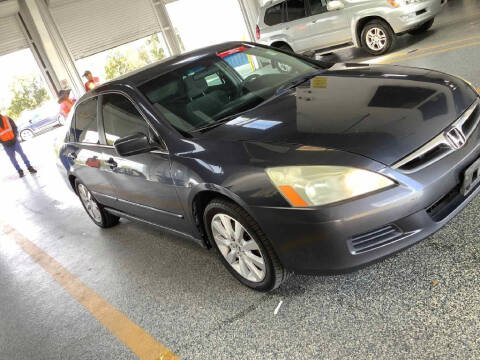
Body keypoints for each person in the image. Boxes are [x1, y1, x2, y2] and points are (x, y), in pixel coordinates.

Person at [0, 114, 37, 178]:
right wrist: (3, 142)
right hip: (6, 145)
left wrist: (15, 137)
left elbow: (14, 127)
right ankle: (19, 171)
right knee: (13, 159)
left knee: (22, 154)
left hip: (14, 141)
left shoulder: (6, 118)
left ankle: (29, 167)